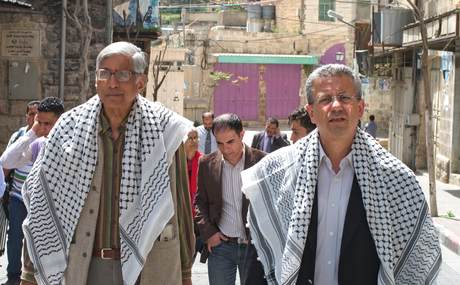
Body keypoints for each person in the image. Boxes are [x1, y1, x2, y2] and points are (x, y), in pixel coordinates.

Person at [241, 64, 441, 285]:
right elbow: (259, 259)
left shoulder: (396, 179)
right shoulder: (276, 172)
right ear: (312, 113)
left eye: (344, 98)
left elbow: (416, 263)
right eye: (325, 99)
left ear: (360, 108)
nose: (336, 106)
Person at [20, 41, 194, 285]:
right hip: (85, 266)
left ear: (140, 82)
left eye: (123, 74)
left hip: (149, 264)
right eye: (105, 74)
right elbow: (42, 205)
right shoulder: (68, 128)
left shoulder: (165, 130)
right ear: (96, 80)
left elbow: (180, 205)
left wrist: (186, 274)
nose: (112, 83)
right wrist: (29, 274)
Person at [195, 113, 266, 285]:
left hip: (254, 248)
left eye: (230, 141)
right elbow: (199, 202)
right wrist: (210, 234)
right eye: (220, 143)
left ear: (242, 135)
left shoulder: (262, 161)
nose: (225, 149)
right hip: (221, 248)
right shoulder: (206, 163)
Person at [0, 98, 62, 285]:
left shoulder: (72, 146)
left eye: (47, 124)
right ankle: (13, 275)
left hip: (57, 228)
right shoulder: (37, 144)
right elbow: (7, 161)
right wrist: (33, 133)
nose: (43, 128)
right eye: (39, 122)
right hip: (30, 210)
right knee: (17, 242)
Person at [184, 128, 203, 259]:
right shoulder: (175, 160)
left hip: (196, 217)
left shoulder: (204, 161)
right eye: (190, 138)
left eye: (196, 137)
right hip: (180, 215)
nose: (194, 141)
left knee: (191, 255)